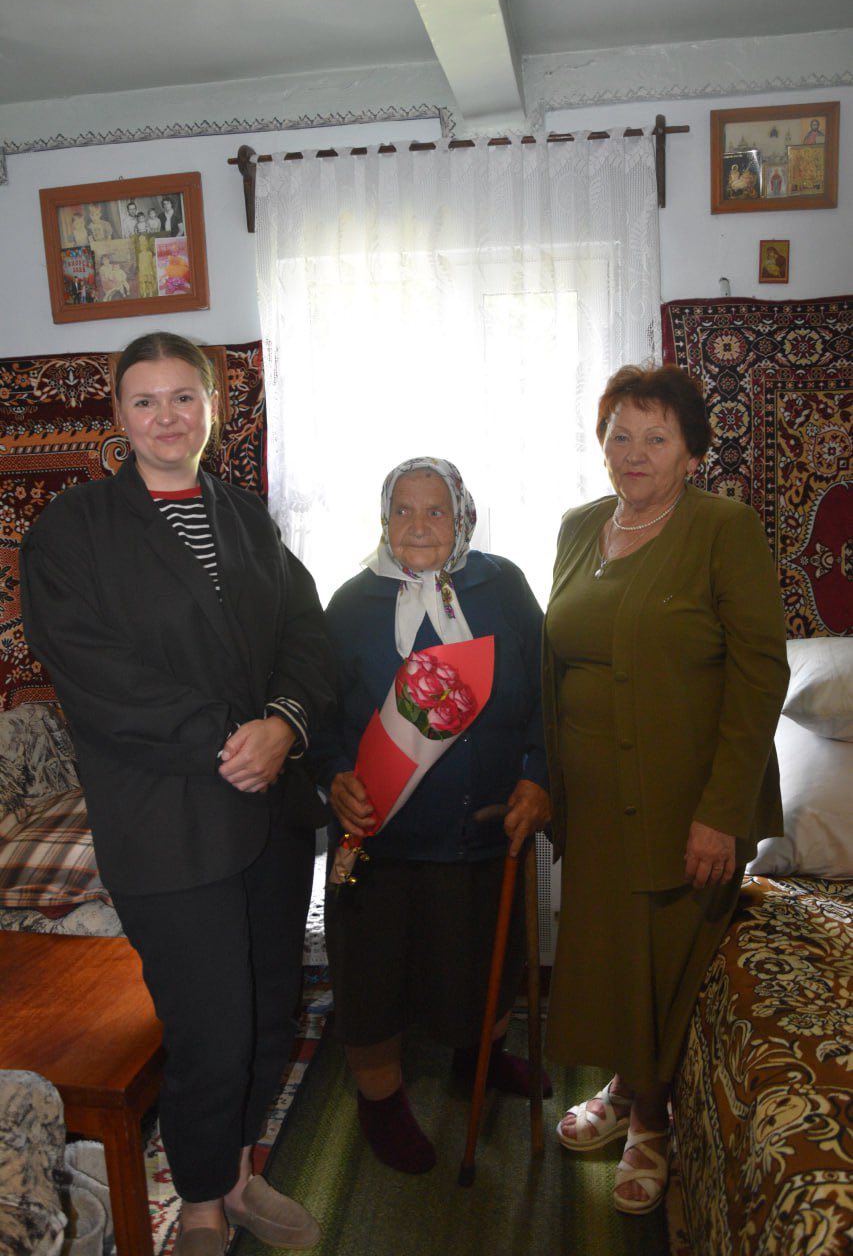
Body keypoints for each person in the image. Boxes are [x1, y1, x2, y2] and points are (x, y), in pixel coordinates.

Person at [20, 332, 334, 1256]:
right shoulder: (72, 530)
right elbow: (94, 673)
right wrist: (227, 741)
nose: (167, 418)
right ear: (118, 415)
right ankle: (199, 1205)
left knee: (270, 1010)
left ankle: (237, 1176)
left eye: (183, 398)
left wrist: (284, 724)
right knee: (209, 1025)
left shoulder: (244, 516)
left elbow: (305, 635)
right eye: (146, 401)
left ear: (212, 408)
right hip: (168, 820)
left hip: (270, 812)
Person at [543, 365, 789, 1215]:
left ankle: (652, 1121)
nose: (634, 452)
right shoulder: (579, 527)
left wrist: (721, 813)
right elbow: (554, 658)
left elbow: (759, 673)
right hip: (594, 803)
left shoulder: (723, 528)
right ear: (601, 444)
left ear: (691, 452)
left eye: (656, 437)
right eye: (620, 434)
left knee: (661, 958)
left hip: (687, 799)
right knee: (613, 955)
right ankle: (626, 1086)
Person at [312, 456, 551, 1175]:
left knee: (486, 956)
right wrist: (334, 776)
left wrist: (537, 776)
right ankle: (380, 1101)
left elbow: (548, 690)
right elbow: (319, 713)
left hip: (485, 827)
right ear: (383, 519)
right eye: (403, 511)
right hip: (380, 837)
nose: (418, 526)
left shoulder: (502, 585)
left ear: (462, 517)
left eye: (435, 511)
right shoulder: (351, 602)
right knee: (374, 972)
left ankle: (481, 1061)